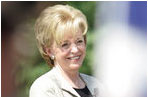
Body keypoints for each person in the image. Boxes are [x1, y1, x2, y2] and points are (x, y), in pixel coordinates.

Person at [29, 4, 102, 97]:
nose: (75, 50)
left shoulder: (97, 85)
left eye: (79, 41)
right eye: (65, 44)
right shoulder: (44, 88)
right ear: (49, 51)